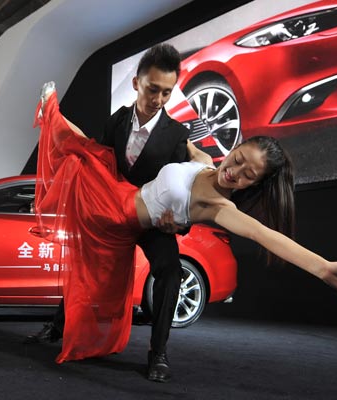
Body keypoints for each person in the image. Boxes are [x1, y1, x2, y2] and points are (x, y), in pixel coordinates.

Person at [30, 80, 337, 381]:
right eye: (238, 158)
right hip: (119, 194)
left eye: (247, 175)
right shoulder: (206, 162)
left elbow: (264, 235)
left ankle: (157, 353)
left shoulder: (222, 207)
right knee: (88, 154)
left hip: (123, 221)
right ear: (235, 148)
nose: (235, 172)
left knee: (166, 273)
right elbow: (182, 135)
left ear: (255, 183)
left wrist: (324, 267)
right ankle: (51, 111)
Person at [25, 43, 213, 383]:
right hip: (112, 213)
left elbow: (196, 172)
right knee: (83, 264)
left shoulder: (178, 135)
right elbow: (97, 158)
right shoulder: (117, 121)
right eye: (153, 89)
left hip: (150, 221)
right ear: (137, 83)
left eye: (166, 93)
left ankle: (158, 352)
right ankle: (58, 327)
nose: (158, 99)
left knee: (169, 271)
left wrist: (176, 220)